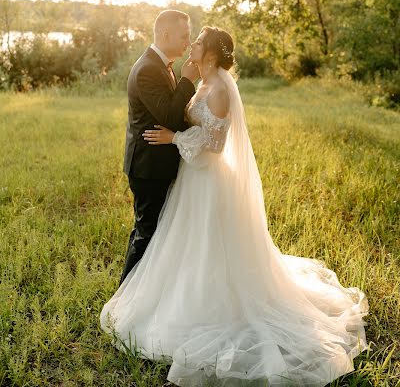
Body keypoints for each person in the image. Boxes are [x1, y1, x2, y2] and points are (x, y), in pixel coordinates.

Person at [101, 26, 369, 387]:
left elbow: (214, 143)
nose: (191, 44)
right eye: (189, 38)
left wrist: (174, 137)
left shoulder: (222, 88)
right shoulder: (203, 83)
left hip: (209, 179)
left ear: (210, 53)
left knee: (210, 246)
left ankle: (211, 306)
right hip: (193, 179)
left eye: (197, 42)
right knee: (187, 244)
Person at [119, 9, 199, 285]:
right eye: (185, 36)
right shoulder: (148, 69)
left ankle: (143, 291)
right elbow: (169, 116)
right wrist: (188, 80)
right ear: (166, 34)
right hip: (148, 167)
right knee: (147, 233)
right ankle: (124, 299)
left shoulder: (160, 65)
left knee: (150, 230)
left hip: (156, 164)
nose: (188, 42)